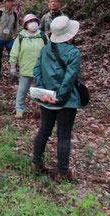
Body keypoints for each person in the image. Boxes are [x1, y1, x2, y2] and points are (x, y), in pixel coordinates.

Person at [32, 16, 82, 181]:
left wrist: (42, 90)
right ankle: (62, 171)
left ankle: (36, 163)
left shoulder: (45, 49)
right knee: (64, 136)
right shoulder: (73, 53)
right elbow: (69, 78)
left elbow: (37, 70)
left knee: (44, 131)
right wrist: (60, 96)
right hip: (66, 101)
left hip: (46, 98)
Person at [9, 14, 48, 119]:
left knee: (42, 92)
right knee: (22, 91)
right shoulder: (21, 37)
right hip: (26, 68)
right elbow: (14, 51)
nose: (33, 23)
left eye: (34, 21)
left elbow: (49, 51)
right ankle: (19, 110)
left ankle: (44, 111)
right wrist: (13, 65)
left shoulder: (43, 36)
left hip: (41, 69)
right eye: (30, 21)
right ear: (26, 24)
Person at [0, 0, 19, 81]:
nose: (10, 3)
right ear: (4, 3)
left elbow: (16, 26)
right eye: (8, 1)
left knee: (12, 55)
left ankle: (14, 74)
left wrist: (14, 35)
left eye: (11, 1)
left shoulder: (14, 14)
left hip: (10, 38)